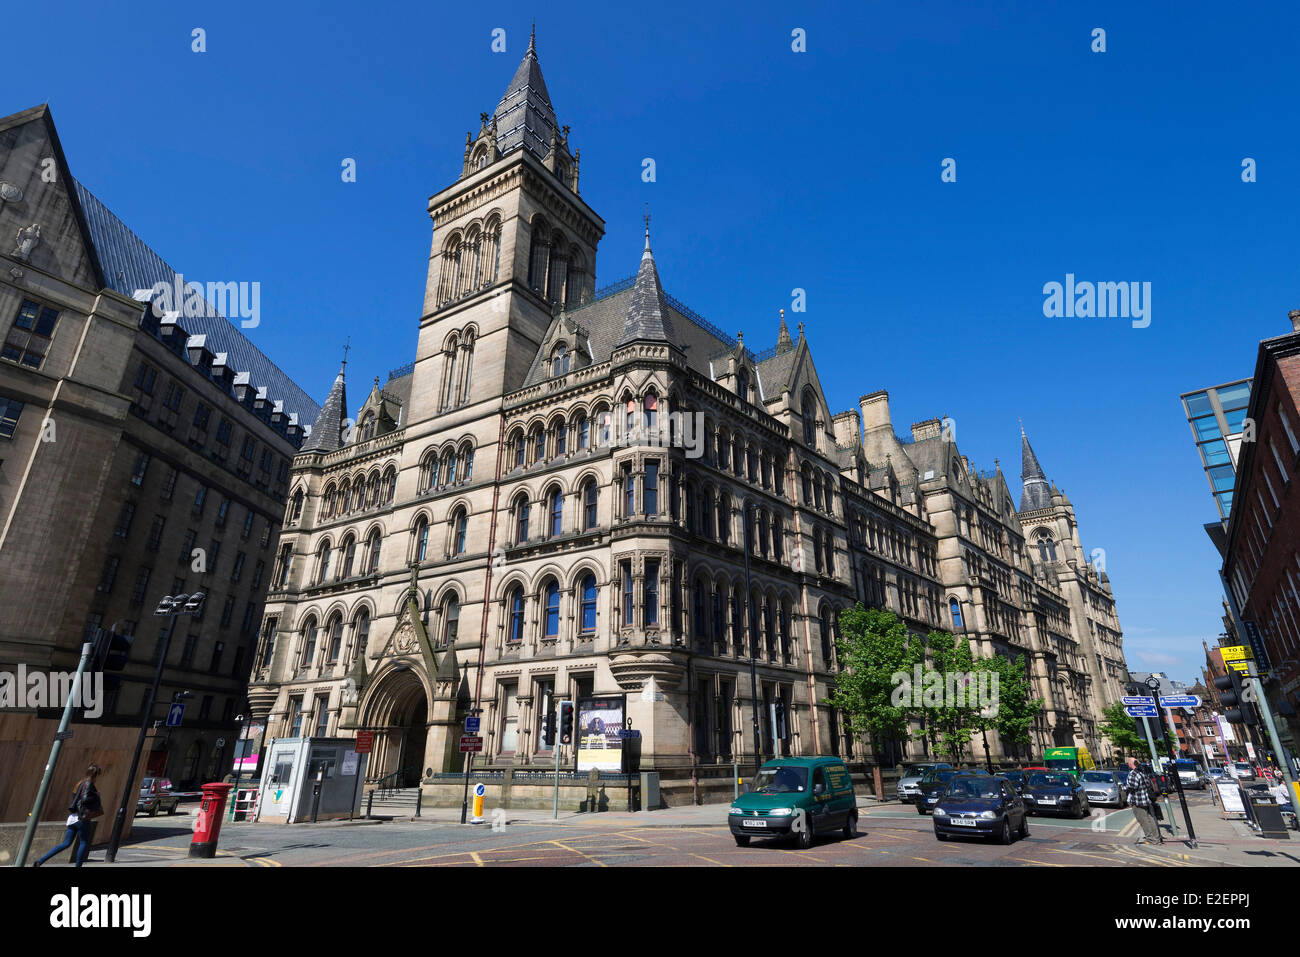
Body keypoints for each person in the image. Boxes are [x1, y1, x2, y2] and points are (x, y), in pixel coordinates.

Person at [33, 764, 103, 867]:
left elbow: (76, 798)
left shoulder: (79, 783)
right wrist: (97, 796)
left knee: (65, 843)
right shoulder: (89, 784)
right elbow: (84, 799)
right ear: (95, 774)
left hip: (72, 817)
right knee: (83, 843)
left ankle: (40, 861)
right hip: (82, 818)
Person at [1124, 756, 1163, 845]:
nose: (1128, 764)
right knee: (1150, 819)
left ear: (1130, 764)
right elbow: (1148, 784)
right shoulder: (1142, 772)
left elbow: (1132, 786)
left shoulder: (1132, 774)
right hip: (1147, 800)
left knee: (1143, 820)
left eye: (1128, 763)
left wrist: (1124, 787)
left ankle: (1150, 839)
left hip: (1138, 801)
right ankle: (1156, 838)